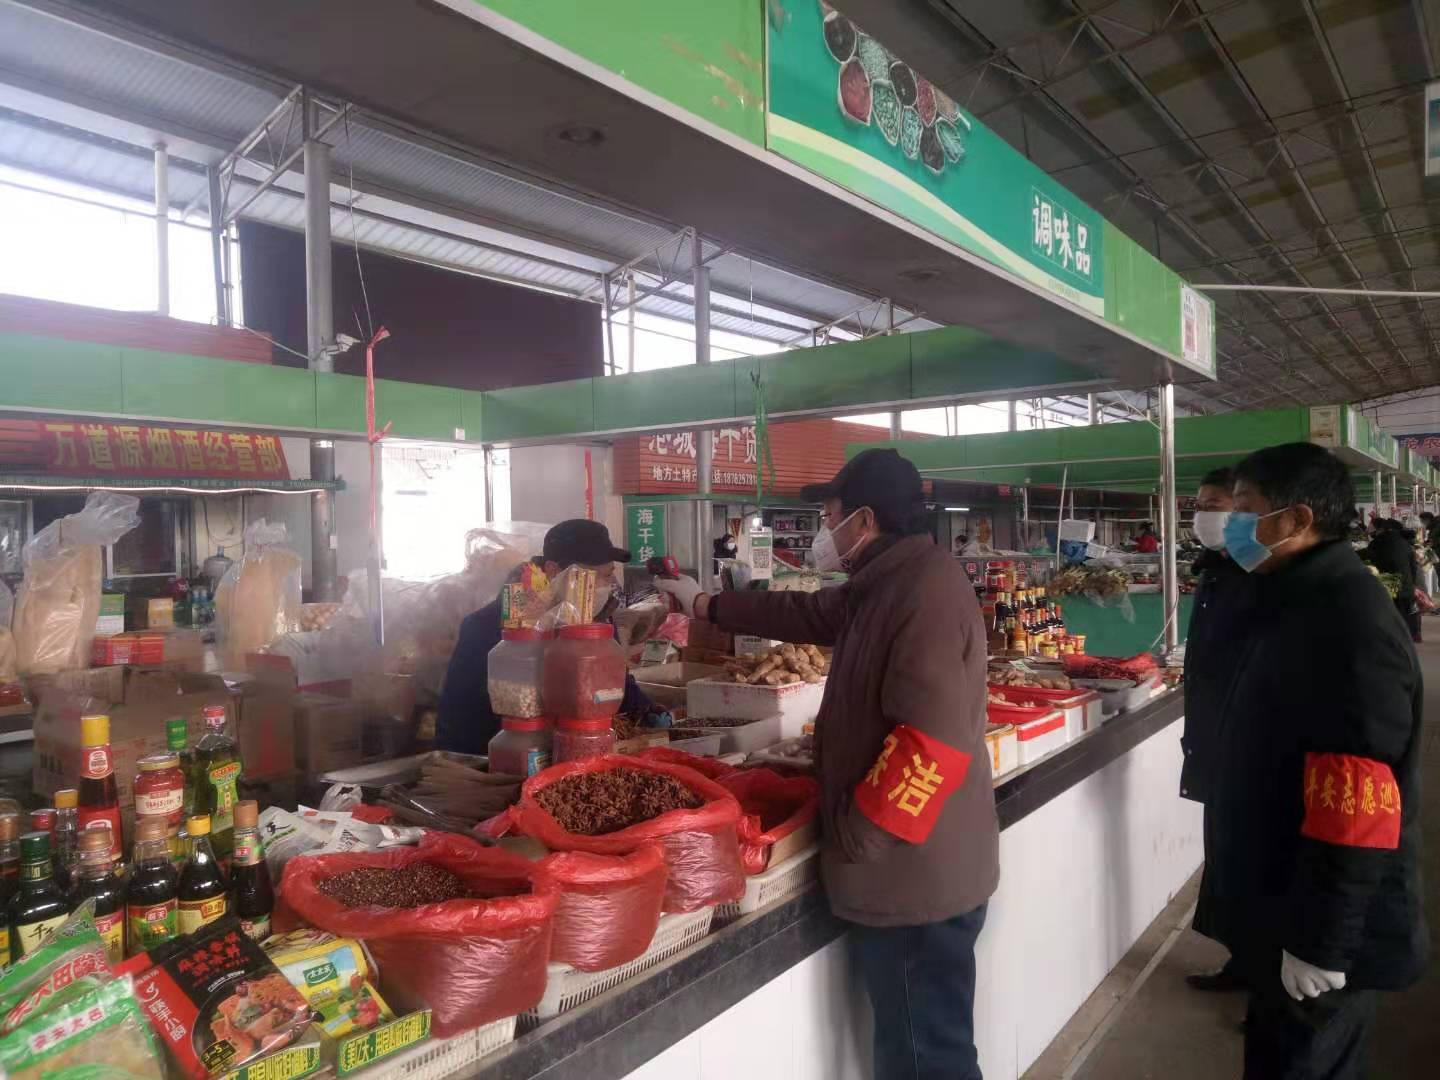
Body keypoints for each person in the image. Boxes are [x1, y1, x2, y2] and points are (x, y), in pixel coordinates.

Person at [657, 449, 998, 1080]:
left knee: (925, 1056)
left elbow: (933, 742)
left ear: (863, 520)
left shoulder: (921, 593)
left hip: (913, 877)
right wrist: (704, 605)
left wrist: (858, 833)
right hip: (916, 866)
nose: (824, 530)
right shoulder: (889, 580)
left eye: (829, 516)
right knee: (919, 1045)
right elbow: (809, 614)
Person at [1207, 443, 1426, 1079]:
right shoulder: (1293, 596)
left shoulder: (1345, 623)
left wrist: (1322, 942)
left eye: (1244, 508)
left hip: (1317, 923)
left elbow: (1359, 800)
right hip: (1281, 897)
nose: (1230, 523)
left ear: (1297, 518)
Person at [435, 519, 657, 754]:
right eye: (594, 577)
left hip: (579, 749)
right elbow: (458, 719)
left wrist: (646, 711)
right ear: (553, 571)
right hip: (506, 756)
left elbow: (615, 681)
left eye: (609, 575)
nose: (606, 586)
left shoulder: (596, 618)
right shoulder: (491, 628)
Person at [1179, 466, 1257, 994]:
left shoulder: (1259, 573)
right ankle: (1244, 961)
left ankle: (1261, 972)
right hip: (1214, 735)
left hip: (1246, 741)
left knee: (1249, 856)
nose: (1203, 514)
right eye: (1200, 504)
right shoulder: (1215, 569)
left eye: (1216, 504)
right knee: (1226, 855)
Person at [1363, 518, 1420, 643]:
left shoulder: (1378, 543)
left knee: (1389, 617)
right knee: (1405, 615)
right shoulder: (1405, 543)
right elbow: (1413, 567)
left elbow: (1370, 562)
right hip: (1405, 586)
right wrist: (1411, 585)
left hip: (1387, 587)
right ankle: (1409, 637)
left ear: (1384, 529)